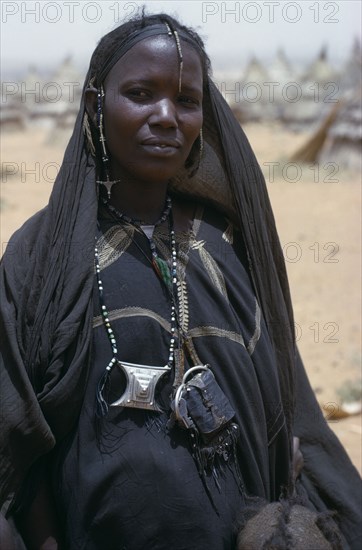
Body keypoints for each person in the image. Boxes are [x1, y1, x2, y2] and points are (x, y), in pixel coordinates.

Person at [0, 12, 361, 550]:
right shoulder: (41, 258)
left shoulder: (229, 245)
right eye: (141, 93)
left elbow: (286, 414)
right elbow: (17, 449)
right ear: (96, 105)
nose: (166, 116)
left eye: (186, 101)